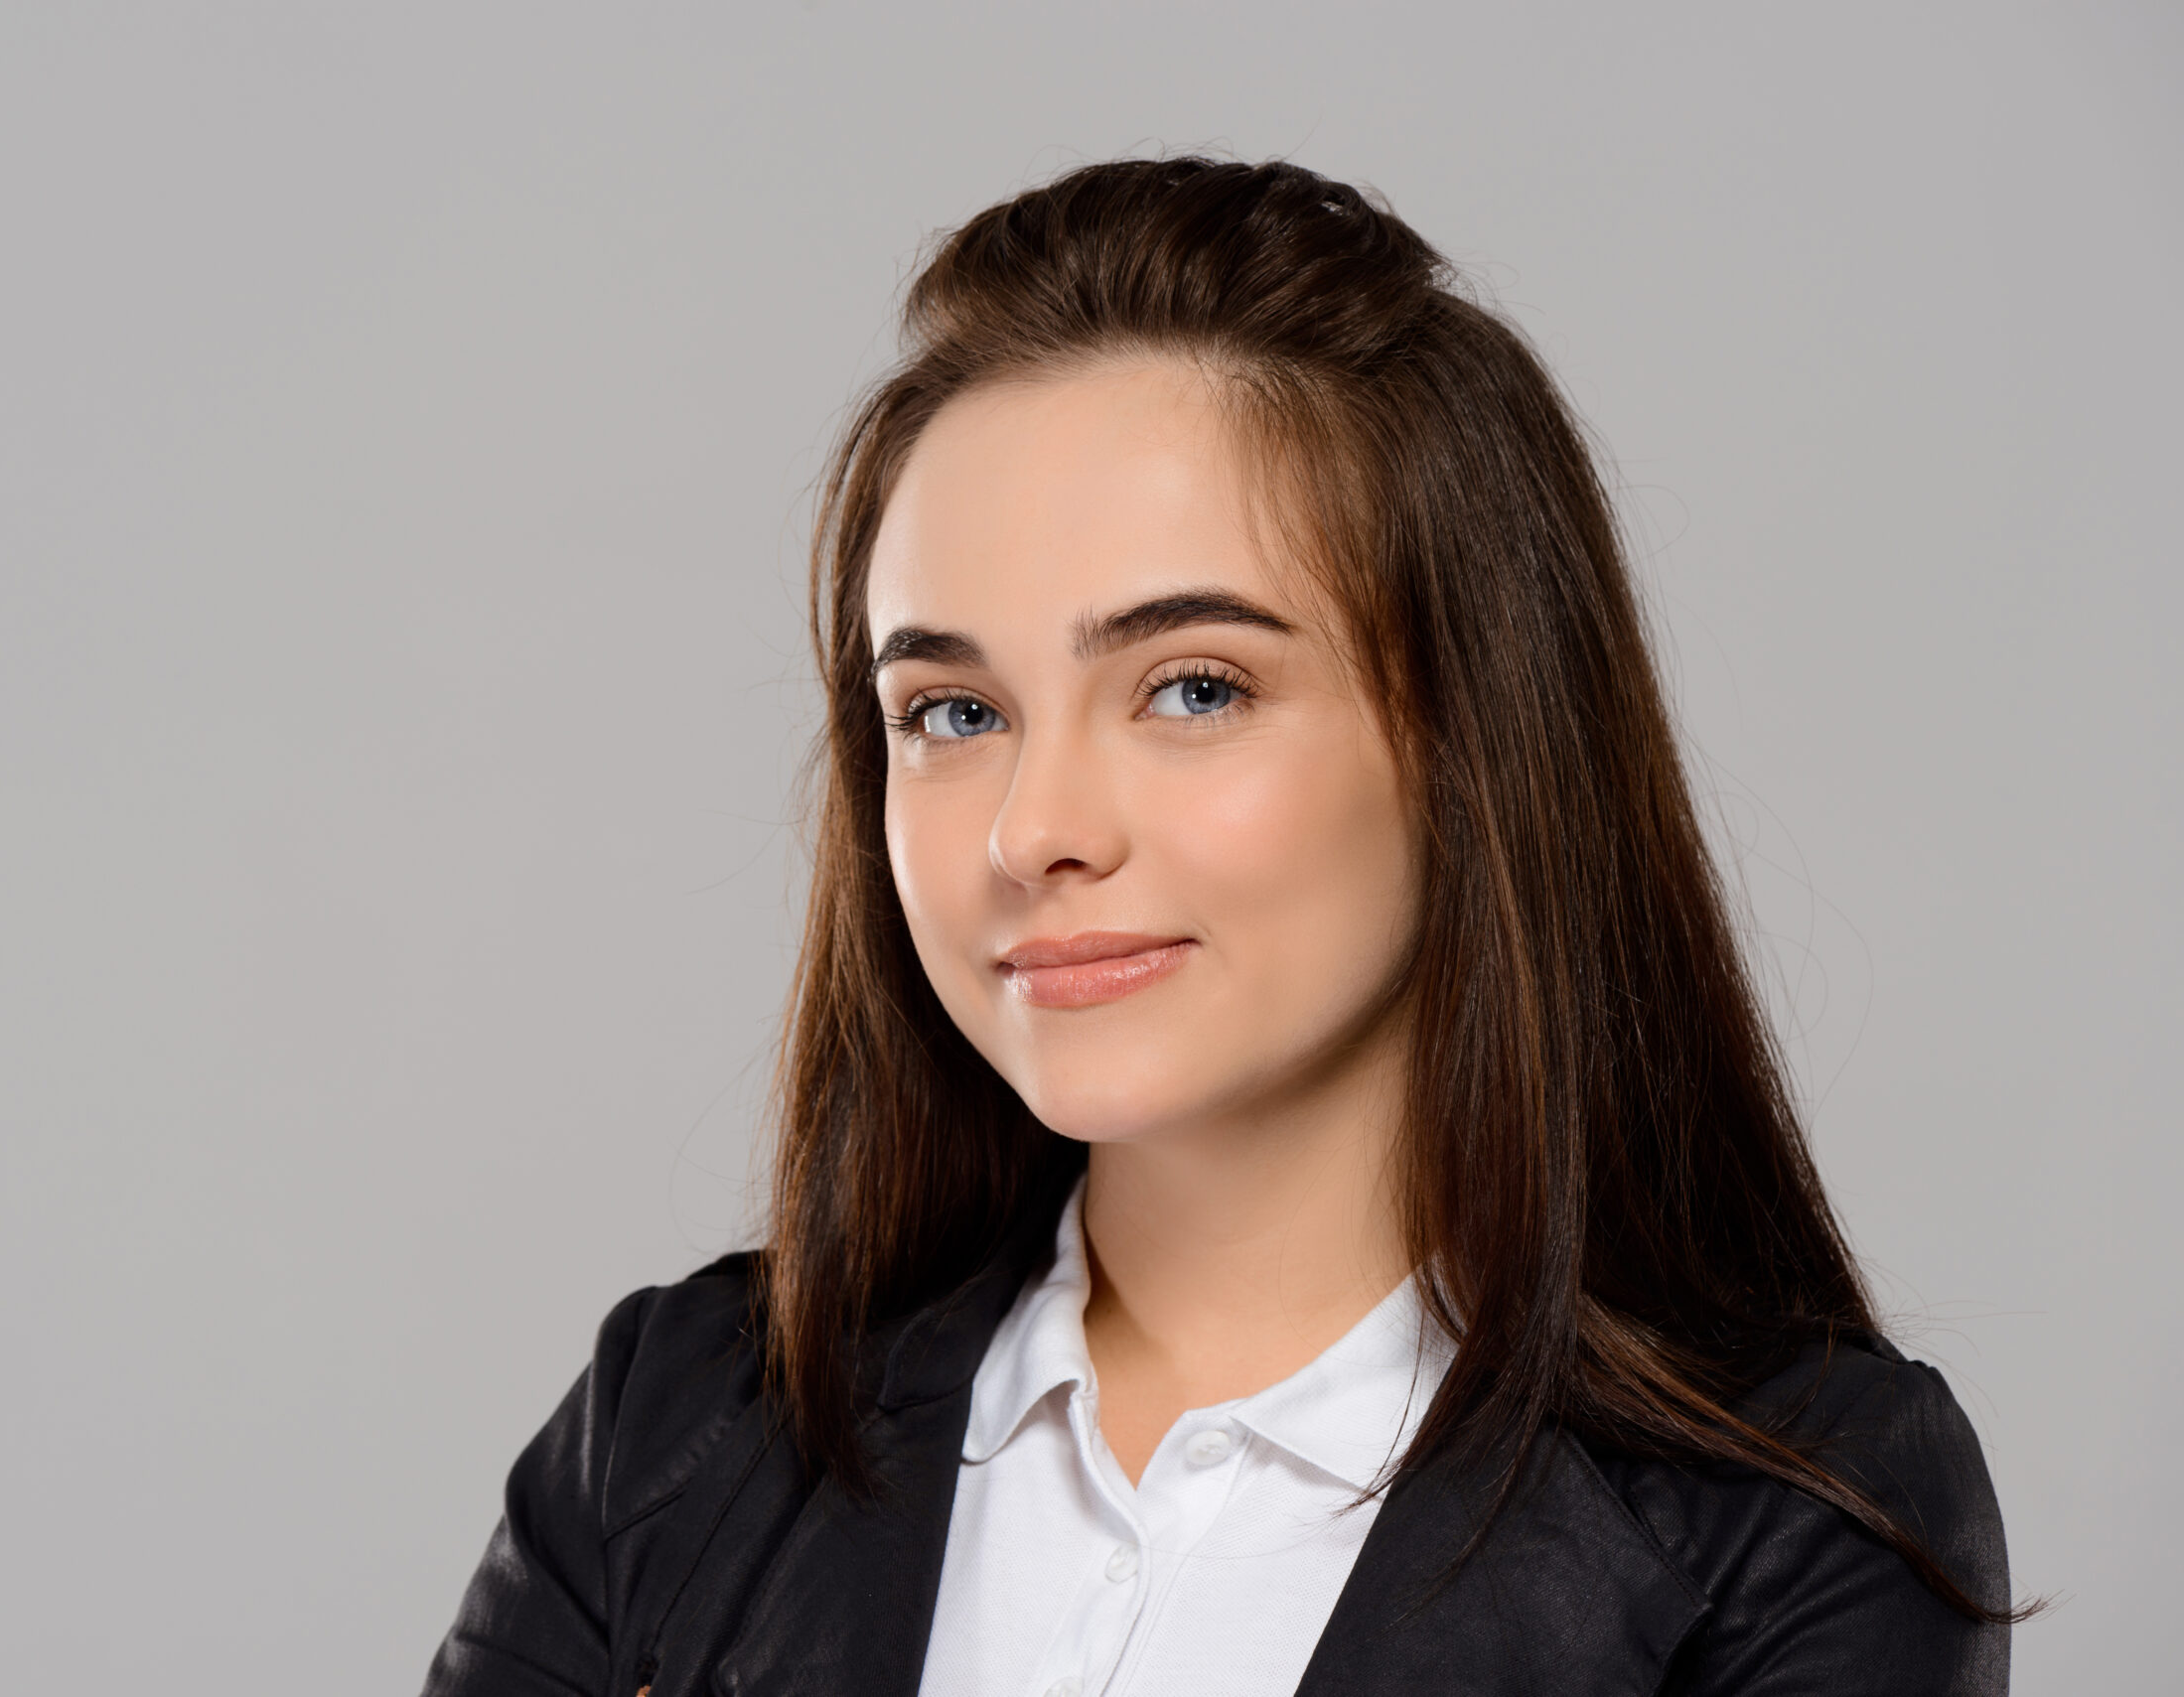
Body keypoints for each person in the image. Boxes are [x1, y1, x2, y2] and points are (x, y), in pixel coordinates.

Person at [419, 157, 2016, 1696]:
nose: (1035, 828)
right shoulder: (677, 1426)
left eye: (1195, 687)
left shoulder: (1797, 1517)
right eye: (953, 709)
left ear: (1477, 744)